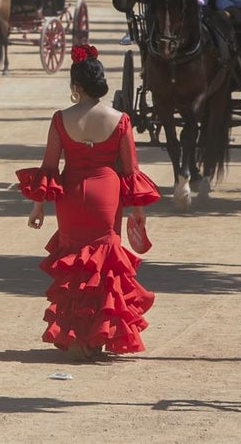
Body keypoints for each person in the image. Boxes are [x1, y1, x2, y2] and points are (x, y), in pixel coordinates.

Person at [18, 44, 159, 360]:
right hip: (106, 192)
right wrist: (138, 211)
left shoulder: (60, 118)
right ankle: (98, 335)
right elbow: (130, 169)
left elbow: (49, 167)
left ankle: (76, 336)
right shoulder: (120, 119)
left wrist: (38, 207)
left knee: (75, 264)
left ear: (75, 86)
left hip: (70, 194)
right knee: (104, 265)